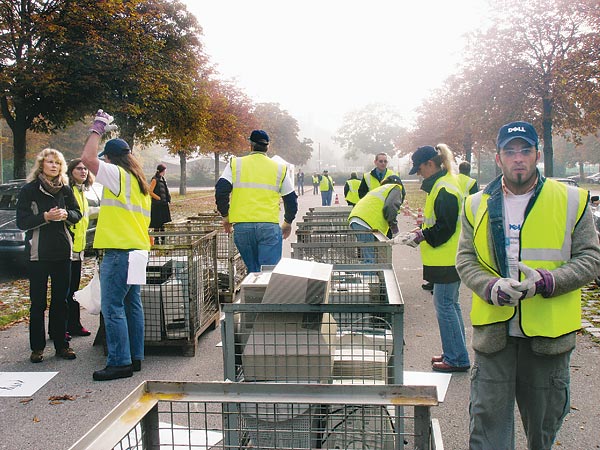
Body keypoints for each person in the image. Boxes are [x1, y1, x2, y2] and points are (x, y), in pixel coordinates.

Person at [456, 121, 600, 449]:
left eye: (525, 150)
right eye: (510, 151)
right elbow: (465, 260)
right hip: (495, 336)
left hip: (548, 339)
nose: (517, 158)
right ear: (498, 158)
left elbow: (591, 258)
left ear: (537, 154)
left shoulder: (572, 200)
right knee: (487, 427)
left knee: (544, 428)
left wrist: (548, 282)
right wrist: (489, 286)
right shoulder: (475, 204)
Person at [82, 110, 151, 381]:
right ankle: (134, 357)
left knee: (113, 306)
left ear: (109, 159)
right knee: (132, 303)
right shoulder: (140, 183)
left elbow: (87, 158)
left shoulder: (117, 176)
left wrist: (97, 127)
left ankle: (119, 362)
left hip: (119, 252)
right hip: (137, 251)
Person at [397, 144, 470, 373]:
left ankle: (456, 357)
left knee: (445, 306)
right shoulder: (444, 183)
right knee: (450, 305)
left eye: (419, 169)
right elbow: (440, 223)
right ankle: (455, 352)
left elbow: (445, 228)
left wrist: (421, 235)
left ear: (430, 163)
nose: (419, 174)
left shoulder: (444, 188)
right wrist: (422, 231)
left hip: (447, 258)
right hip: (448, 257)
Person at [16, 148, 82, 363]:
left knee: (61, 301)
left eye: (57, 163)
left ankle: (62, 345)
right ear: (41, 165)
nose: (53, 166)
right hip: (38, 254)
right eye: (50, 162)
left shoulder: (65, 190)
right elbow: (22, 222)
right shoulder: (29, 190)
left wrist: (66, 215)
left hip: (63, 252)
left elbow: (77, 214)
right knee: (38, 303)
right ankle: (37, 348)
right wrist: (44, 216)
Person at [215, 129, 298, 273]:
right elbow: (291, 199)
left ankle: (254, 293)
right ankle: (266, 293)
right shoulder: (279, 168)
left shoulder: (235, 164)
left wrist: (226, 217)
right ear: (268, 147)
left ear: (250, 145)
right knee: (268, 273)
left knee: (253, 271)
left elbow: (221, 190)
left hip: (242, 227)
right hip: (268, 227)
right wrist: (287, 222)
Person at [65, 158, 94, 337]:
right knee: (65, 291)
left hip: (79, 247)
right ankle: (62, 327)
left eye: (85, 169)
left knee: (74, 289)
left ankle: (74, 324)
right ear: (70, 171)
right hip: (67, 248)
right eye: (78, 169)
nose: (83, 171)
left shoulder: (82, 191)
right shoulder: (68, 191)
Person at [349, 175, 405, 264]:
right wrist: (395, 230)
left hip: (359, 220)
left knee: (368, 255)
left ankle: (368, 275)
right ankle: (368, 276)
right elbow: (390, 207)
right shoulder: (396, 188)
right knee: (369, 259)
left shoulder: (382, 189)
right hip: (365, 222)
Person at [149, 163, 172, 241]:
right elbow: (150, 191)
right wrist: (158, 198)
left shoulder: (163, 179)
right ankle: (156, 238)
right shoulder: (155, 179)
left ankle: (163, 237)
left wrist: (167, 199)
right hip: (157, 205)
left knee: (163, 223)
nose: (165, 172)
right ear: (162, 171)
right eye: (165, 170)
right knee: (157, 222)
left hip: (163, 205)